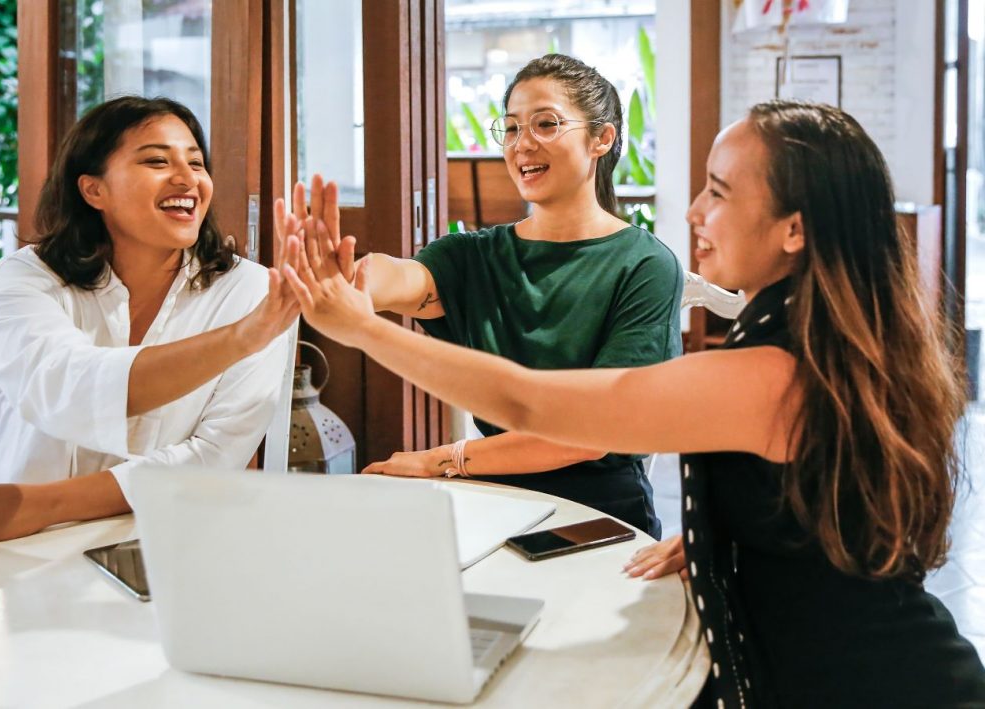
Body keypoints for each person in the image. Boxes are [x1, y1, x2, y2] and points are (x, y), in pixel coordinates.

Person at [282, 100, 985, 707]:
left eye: (718, 192)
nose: (694, 210)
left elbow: (530, 400)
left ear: (793, 230)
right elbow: (818, 506)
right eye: (511, 125)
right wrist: (740, 536)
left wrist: (364, 332)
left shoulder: (773, 370)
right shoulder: (821, 337)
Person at [285, 53, 682, 537]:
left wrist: (441, 460)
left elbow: (587, 435)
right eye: (512, 129)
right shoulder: (474, 256)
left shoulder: (644, 265)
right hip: (498, 502)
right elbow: (404, 279)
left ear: (601, 138)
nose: (523, 145)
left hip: (603, 516)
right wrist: (353, 280)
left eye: (546, 124)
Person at [0, 96, 304, 543]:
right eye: (158, 161)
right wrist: (241, 338)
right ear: (93, 190)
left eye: (197, 163)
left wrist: (47, 504)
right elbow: (69, 387)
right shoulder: (25, 280)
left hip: (176, 541)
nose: (187, 179)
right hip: (23, 548)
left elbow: (216, 454)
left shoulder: (253, 292)